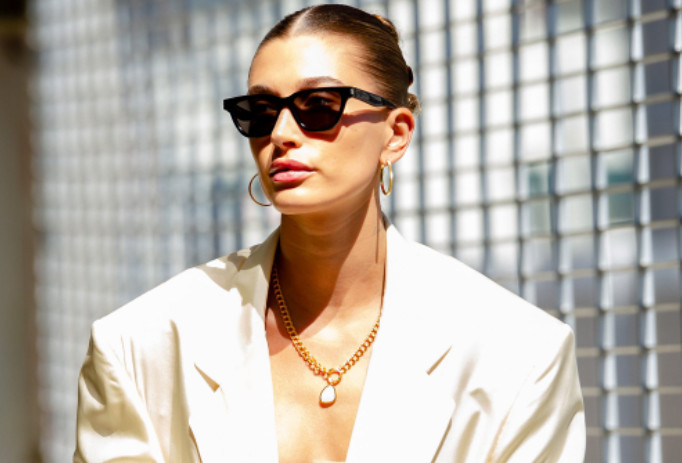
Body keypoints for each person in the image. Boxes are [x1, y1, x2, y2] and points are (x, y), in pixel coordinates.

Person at [74, 4, 585, 463]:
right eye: (261, 113)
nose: (280, 134)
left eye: (318, 105)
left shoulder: (518, 356)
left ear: (396, 134)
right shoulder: (140, 346)